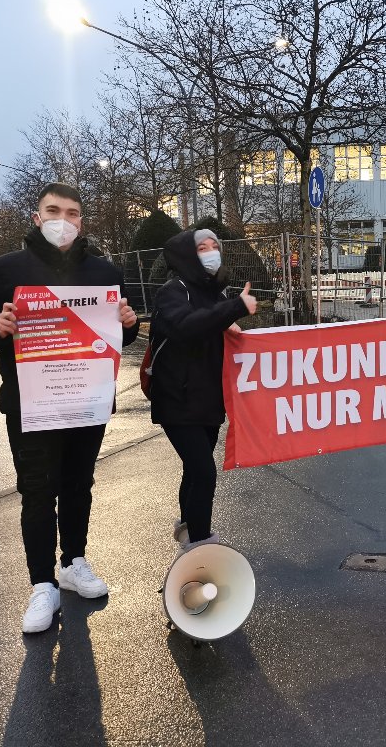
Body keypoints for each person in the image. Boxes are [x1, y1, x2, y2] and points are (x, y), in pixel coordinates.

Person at [0, 183, 139, 633]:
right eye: (53, 211)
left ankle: (74, 562)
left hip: (86, 401)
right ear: (37, 218)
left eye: (72, 213)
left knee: (79, 485)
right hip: (31, 404)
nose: (63, 220)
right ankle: (42, 584)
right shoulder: (6, 268)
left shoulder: (104, 272)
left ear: (81, 221)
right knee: (38, 492)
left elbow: (120, 334)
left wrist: (129, 324)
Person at [149, 229, 257, 549]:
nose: (211, 252)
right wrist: (234, 308)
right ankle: (200, 543)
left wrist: (231, 323)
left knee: (194, 469)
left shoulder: (216, 295)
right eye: (202, 247)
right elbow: (185, 326)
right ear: (187, 255)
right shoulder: (173, 291)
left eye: (214, 246)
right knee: (204, 472)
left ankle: (187, 526)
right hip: (177, 400)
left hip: (208, 399)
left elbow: (215, 326)